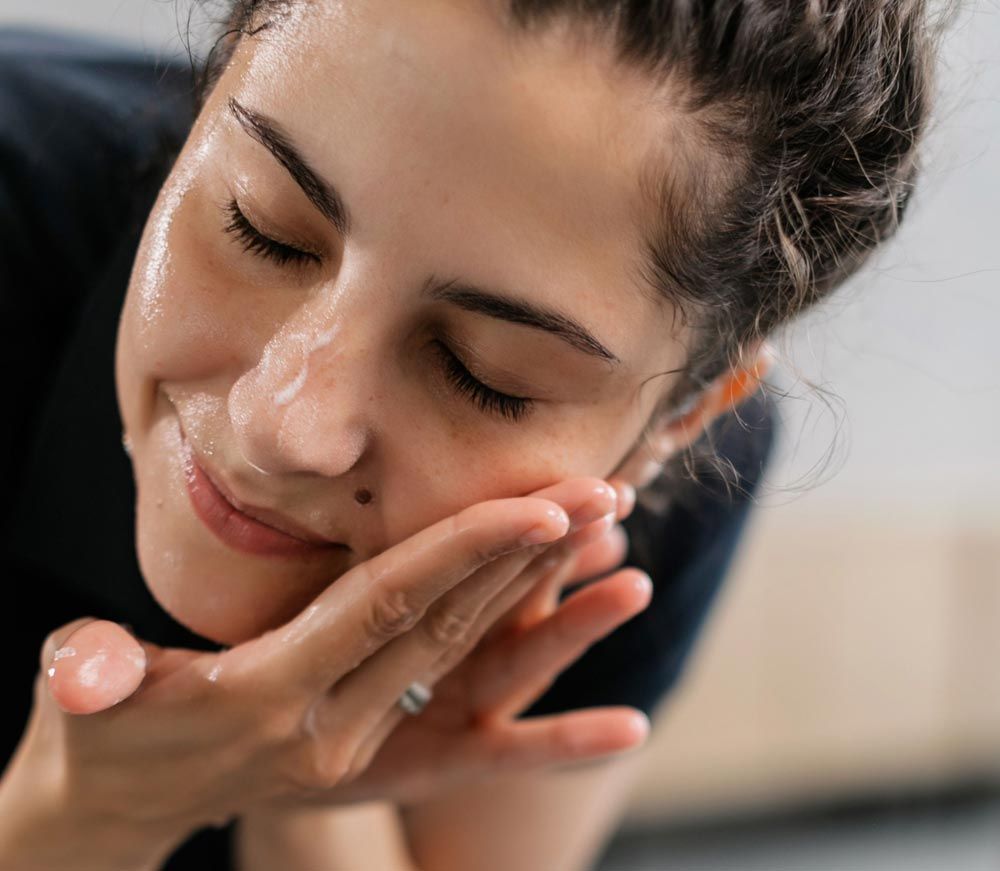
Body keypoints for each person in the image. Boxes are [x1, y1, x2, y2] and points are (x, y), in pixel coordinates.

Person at [0, 0, 936, 868]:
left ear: (676, 420)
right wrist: (81, 820)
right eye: (265, 230)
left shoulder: (635, 525)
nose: (283, 420)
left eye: (482, 373)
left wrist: (313, 778)